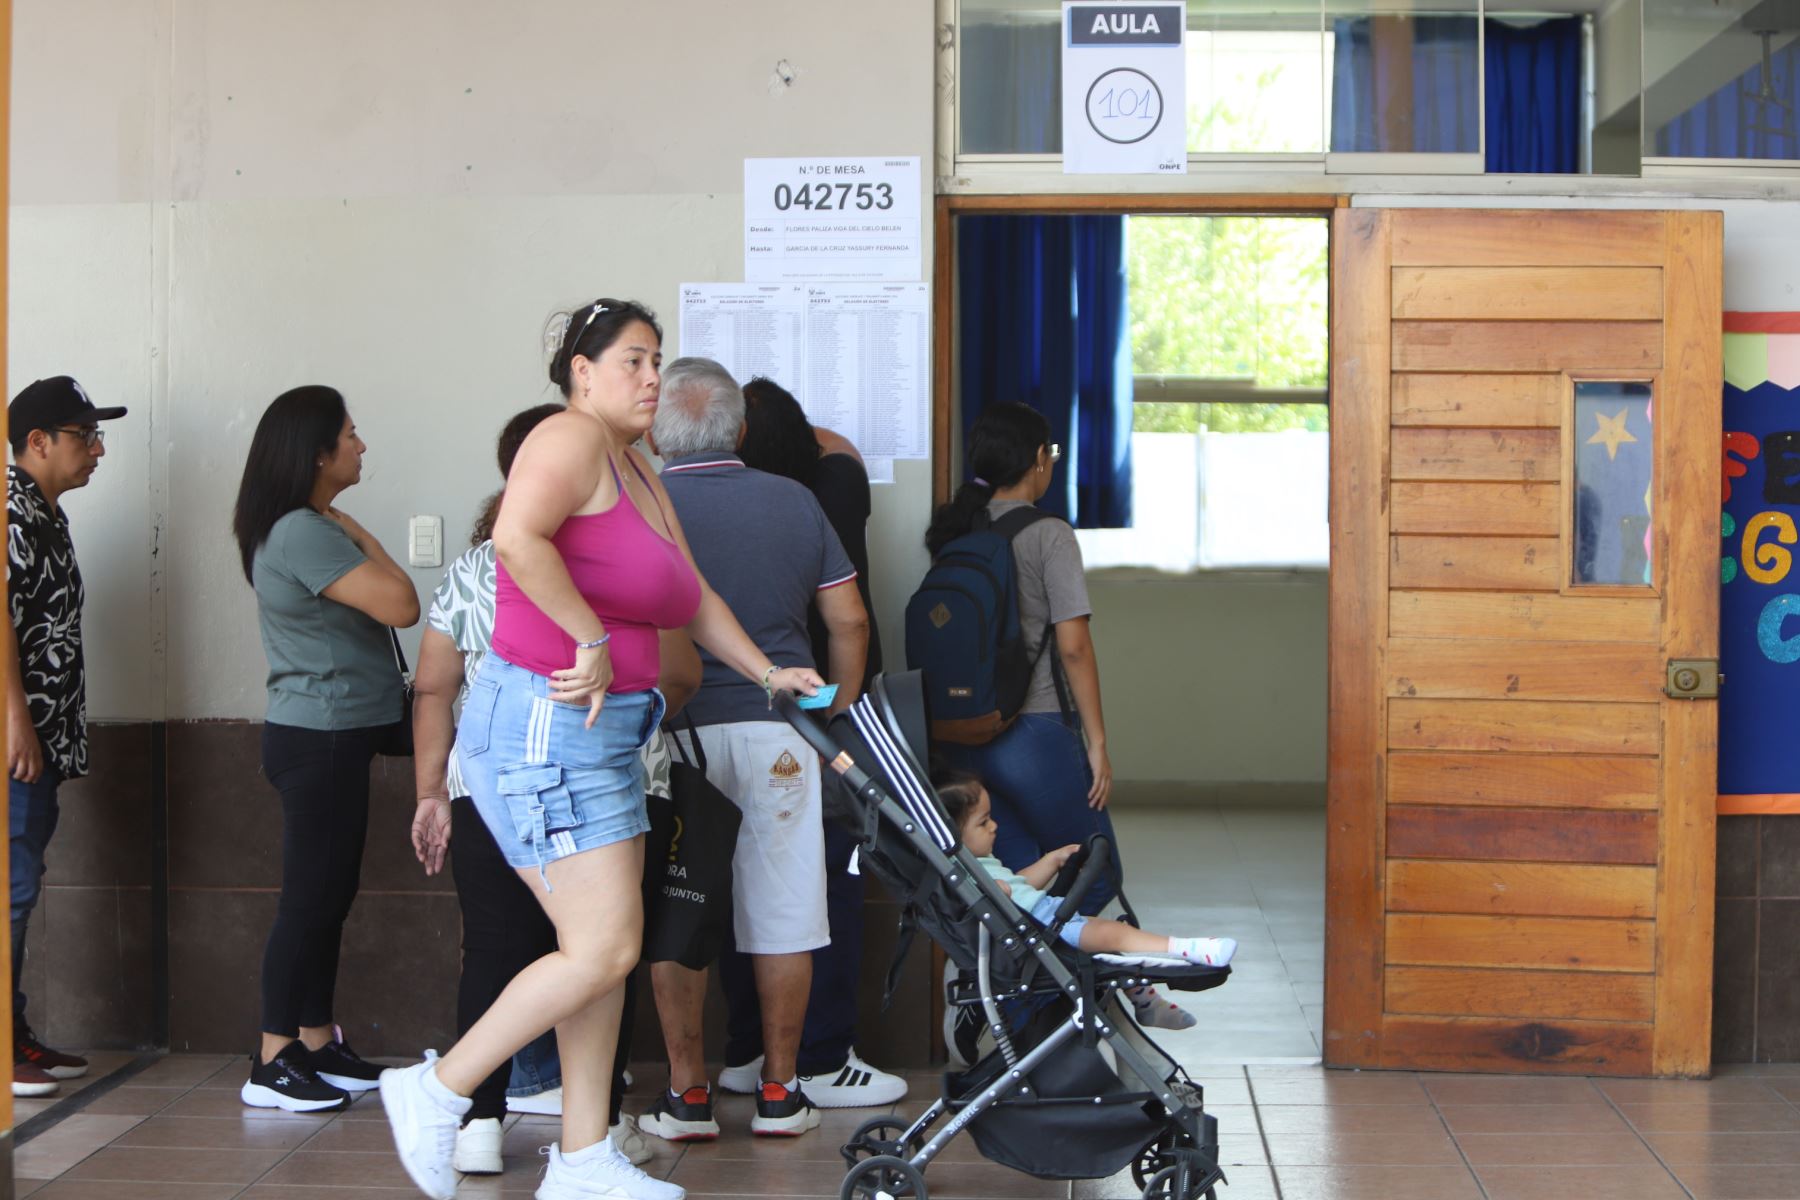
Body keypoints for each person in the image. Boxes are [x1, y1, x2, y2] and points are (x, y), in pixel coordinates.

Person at [377, 301, 823, 1200]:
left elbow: (689, 595)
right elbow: (514, 538)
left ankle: (583, 1160)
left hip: (611, 734)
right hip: (546, 730)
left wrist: (766, 670)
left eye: (657, 361)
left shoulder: (638, 467)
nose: (652, 377)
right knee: (603, 948)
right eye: (632, 360)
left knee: (602, 953)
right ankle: (436, 1089)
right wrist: (586, 637)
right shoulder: (567, 438)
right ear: (581, 372)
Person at [410, 403, 699, 1174]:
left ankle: (519, 1132)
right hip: (580, 767)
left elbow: (434, 686)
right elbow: (680, 671)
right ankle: (455, 1092)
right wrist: (624, 675)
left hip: (485, 785)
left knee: (512, 950)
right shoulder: (606, 558)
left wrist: (432, 789)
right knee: (606, 951)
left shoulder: (475, 567)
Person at [637, 358, 870, 1143]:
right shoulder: (795, 500)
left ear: (656, 430)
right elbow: (850, 621)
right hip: (780, 735)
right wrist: (833, 704)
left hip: (672, 735)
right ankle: (780, 1091)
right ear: (739, 430)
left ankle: (688, 1096)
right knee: (785, 915)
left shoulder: (642, 502)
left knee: (678, 914)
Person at [230, 386, 420, 1112]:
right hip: (318, 739)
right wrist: (361, 533)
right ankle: (273, 1056)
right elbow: (402, 604)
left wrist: (344, 525)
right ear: (316, 452)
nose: (361, 444)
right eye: (350, 433)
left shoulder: (307, 526)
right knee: (309, 899)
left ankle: (315, 1040)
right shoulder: (304, 532)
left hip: (330, 737)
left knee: (329, 895)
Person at [718, 377, 903, 1109]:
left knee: (726, 887)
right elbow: (849, 623)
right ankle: (822, 1057)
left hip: (704, 715)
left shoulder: (673, 499)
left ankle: (742, 1049)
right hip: (811, 718)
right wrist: (842, 703)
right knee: (824, 885)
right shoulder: (821, 493)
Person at [5, 377, 127, 1097]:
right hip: (18, 742)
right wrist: (16, 718)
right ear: (38, 443)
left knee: (21, 883)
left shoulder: (43, 514)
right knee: (12, 888)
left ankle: (13, 1032)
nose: (98, 449)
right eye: (84, 436)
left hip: (41, 741)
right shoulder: (11, 512)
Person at [933, 767, 1236, 977]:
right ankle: (1188, 949)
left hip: (1047, 918)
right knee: (1114, 934)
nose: (994, 826)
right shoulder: (962, 872)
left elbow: (1019, 885)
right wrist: (995, 894)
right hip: (1041, 929)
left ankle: (1145, 1001)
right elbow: (990, 901)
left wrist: (1051, 860)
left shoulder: (979, 860)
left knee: (1106, 944)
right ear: (953, 832)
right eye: (983, 822)